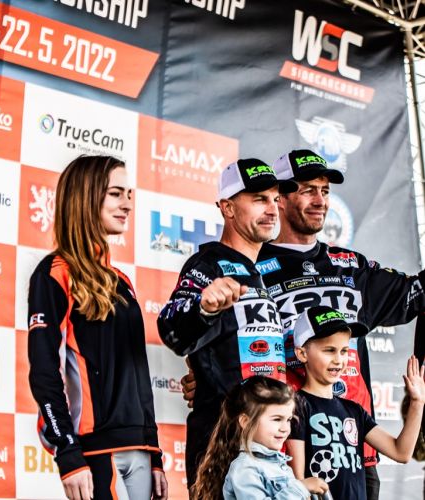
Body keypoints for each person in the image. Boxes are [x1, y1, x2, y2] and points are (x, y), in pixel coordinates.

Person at [181, 148, 425, 499]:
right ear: (278, 198)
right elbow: (208, 337)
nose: (320, 200)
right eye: (308, 190)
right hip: (277, 450)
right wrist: (203, 378)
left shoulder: (352, 267)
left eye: (324, 191)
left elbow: (417, 294)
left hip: (352, 448)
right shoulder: (246, 264)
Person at [27, 155, 168, 500]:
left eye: (129, 195)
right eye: (116, 194)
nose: (127, 204)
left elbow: (138, 375)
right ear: (86, 196)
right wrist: (67, 451)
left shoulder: (122, 281)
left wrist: (154, 452)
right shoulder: (55, 273)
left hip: (140, 448)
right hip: (94, 451)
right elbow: (44, 371)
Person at [157, 158, 298, 487]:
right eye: (259, 199)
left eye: (275, 199)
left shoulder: (260, 272)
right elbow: (171, 329)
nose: (272, 209)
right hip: (221, 445)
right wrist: (204, 308)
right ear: (227, 207)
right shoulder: (209, 263)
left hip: (262, 446)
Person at [287, 305, 425, 500]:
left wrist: (417, 402)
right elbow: (298, 482)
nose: (339, 360)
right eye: (329, 350)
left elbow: (401, 452)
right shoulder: (295, 406)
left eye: (344, 351)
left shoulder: (354, 410)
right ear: (302, 354)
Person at [192, 375, 328, 499]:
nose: (285, 428)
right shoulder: (245, 468)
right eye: (277, 419)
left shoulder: (279, 465)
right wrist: (301, 488)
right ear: (245, 421)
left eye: (288, 420)